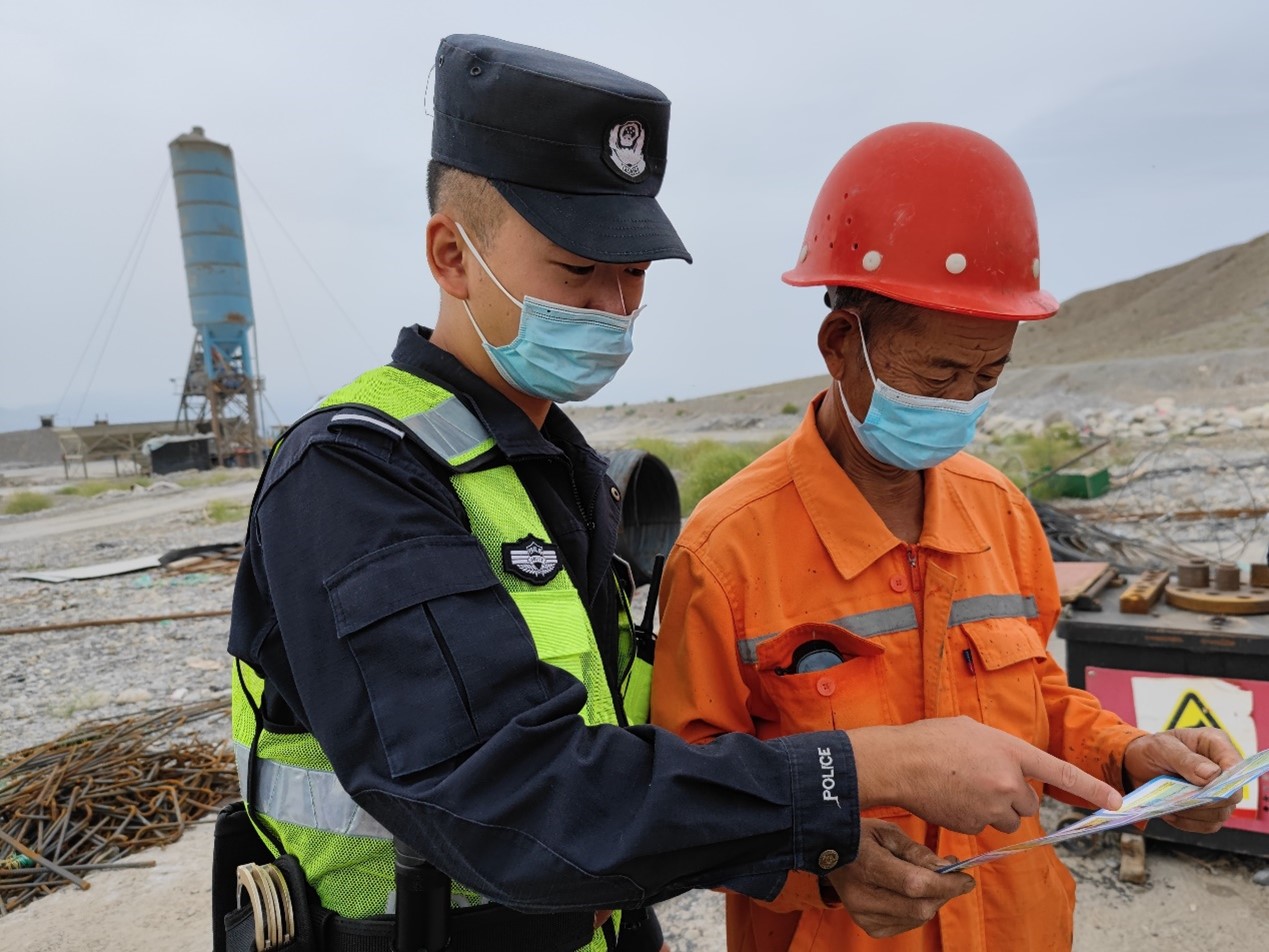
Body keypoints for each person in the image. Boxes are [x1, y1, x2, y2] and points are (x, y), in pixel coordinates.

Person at [223, 42, 1127, 952]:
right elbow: (508, 797)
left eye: (634, 274)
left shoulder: (554, 476)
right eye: (577, 271)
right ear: (452, 256)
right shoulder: (355, 477)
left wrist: (811, 854)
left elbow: (637, 770)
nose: (614, 306)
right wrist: (862, 771)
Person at [650, 122, 1242, 952]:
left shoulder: (999, 511)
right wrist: (822, 863)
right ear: (840, 345)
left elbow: (1038, 702)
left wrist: (1131, 755)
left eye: (987, 375)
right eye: (936, 374)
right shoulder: (725, 552)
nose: (962, 402)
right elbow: (683, 798)